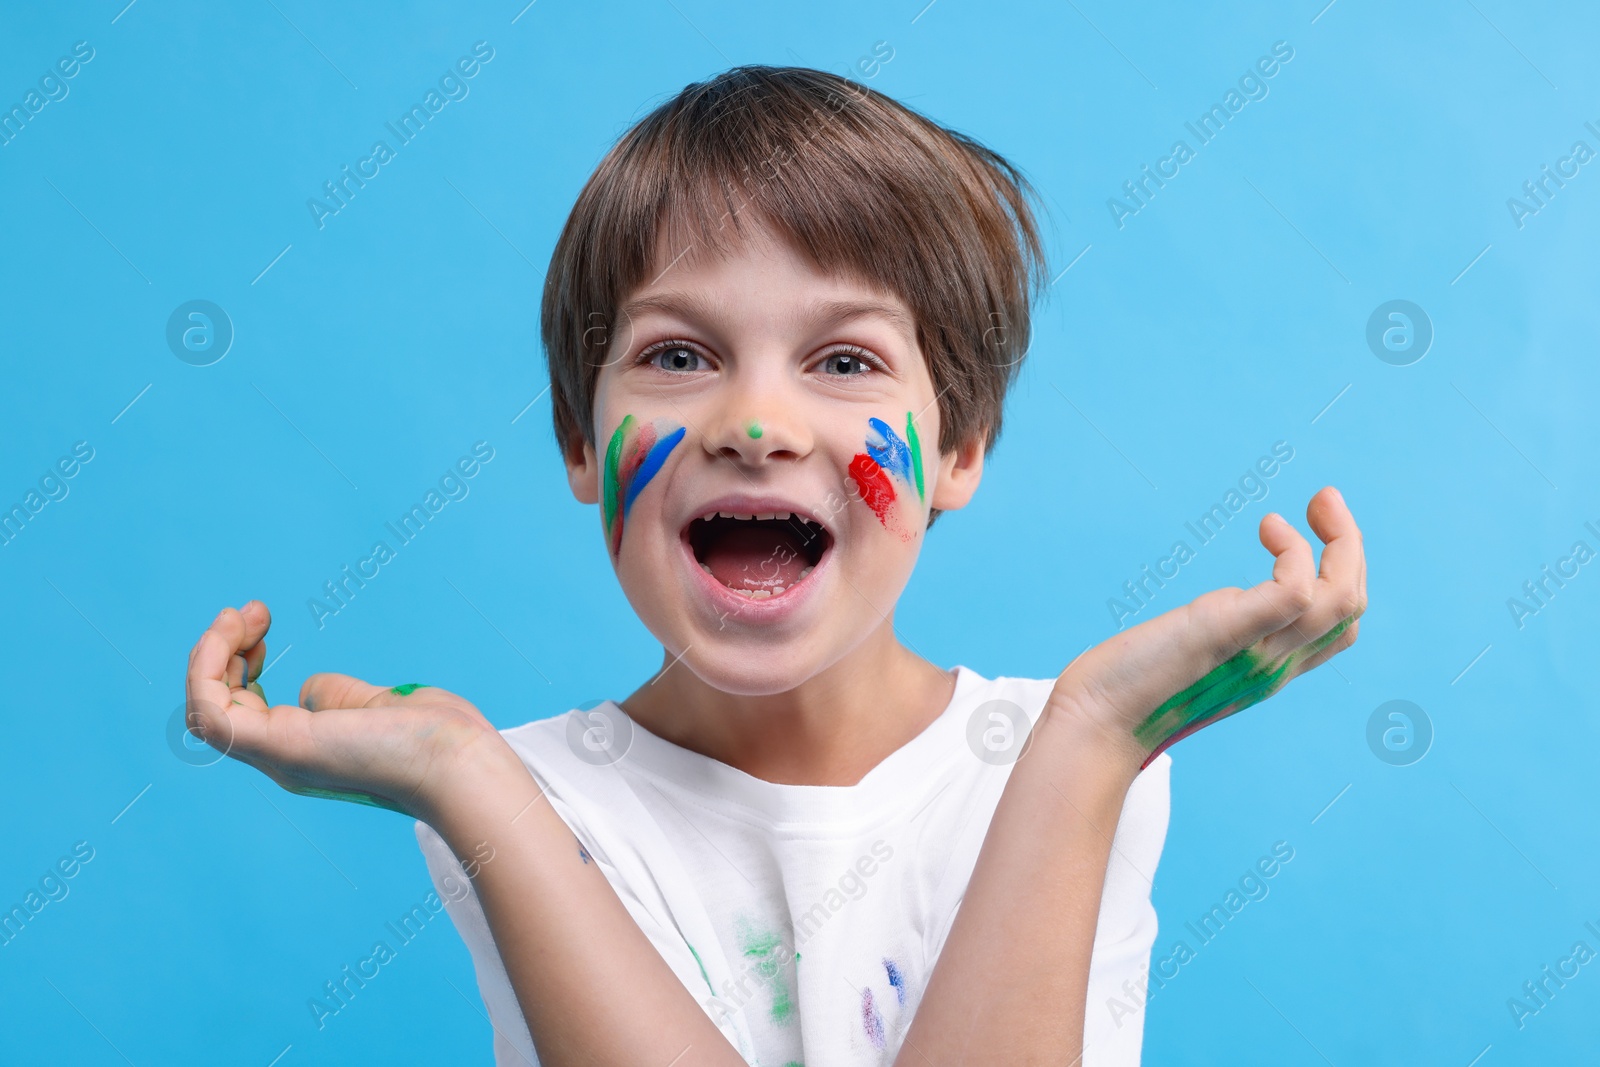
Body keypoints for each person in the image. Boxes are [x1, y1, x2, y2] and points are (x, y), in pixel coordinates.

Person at [184, 65, 1365, 1066]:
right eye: (680, 353)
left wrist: (1095, 737)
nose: (754, 421)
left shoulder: (1076, 753)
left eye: (844, 361)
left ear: (957, 447)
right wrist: (465, 777)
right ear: (580, 442)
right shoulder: (515, 798)